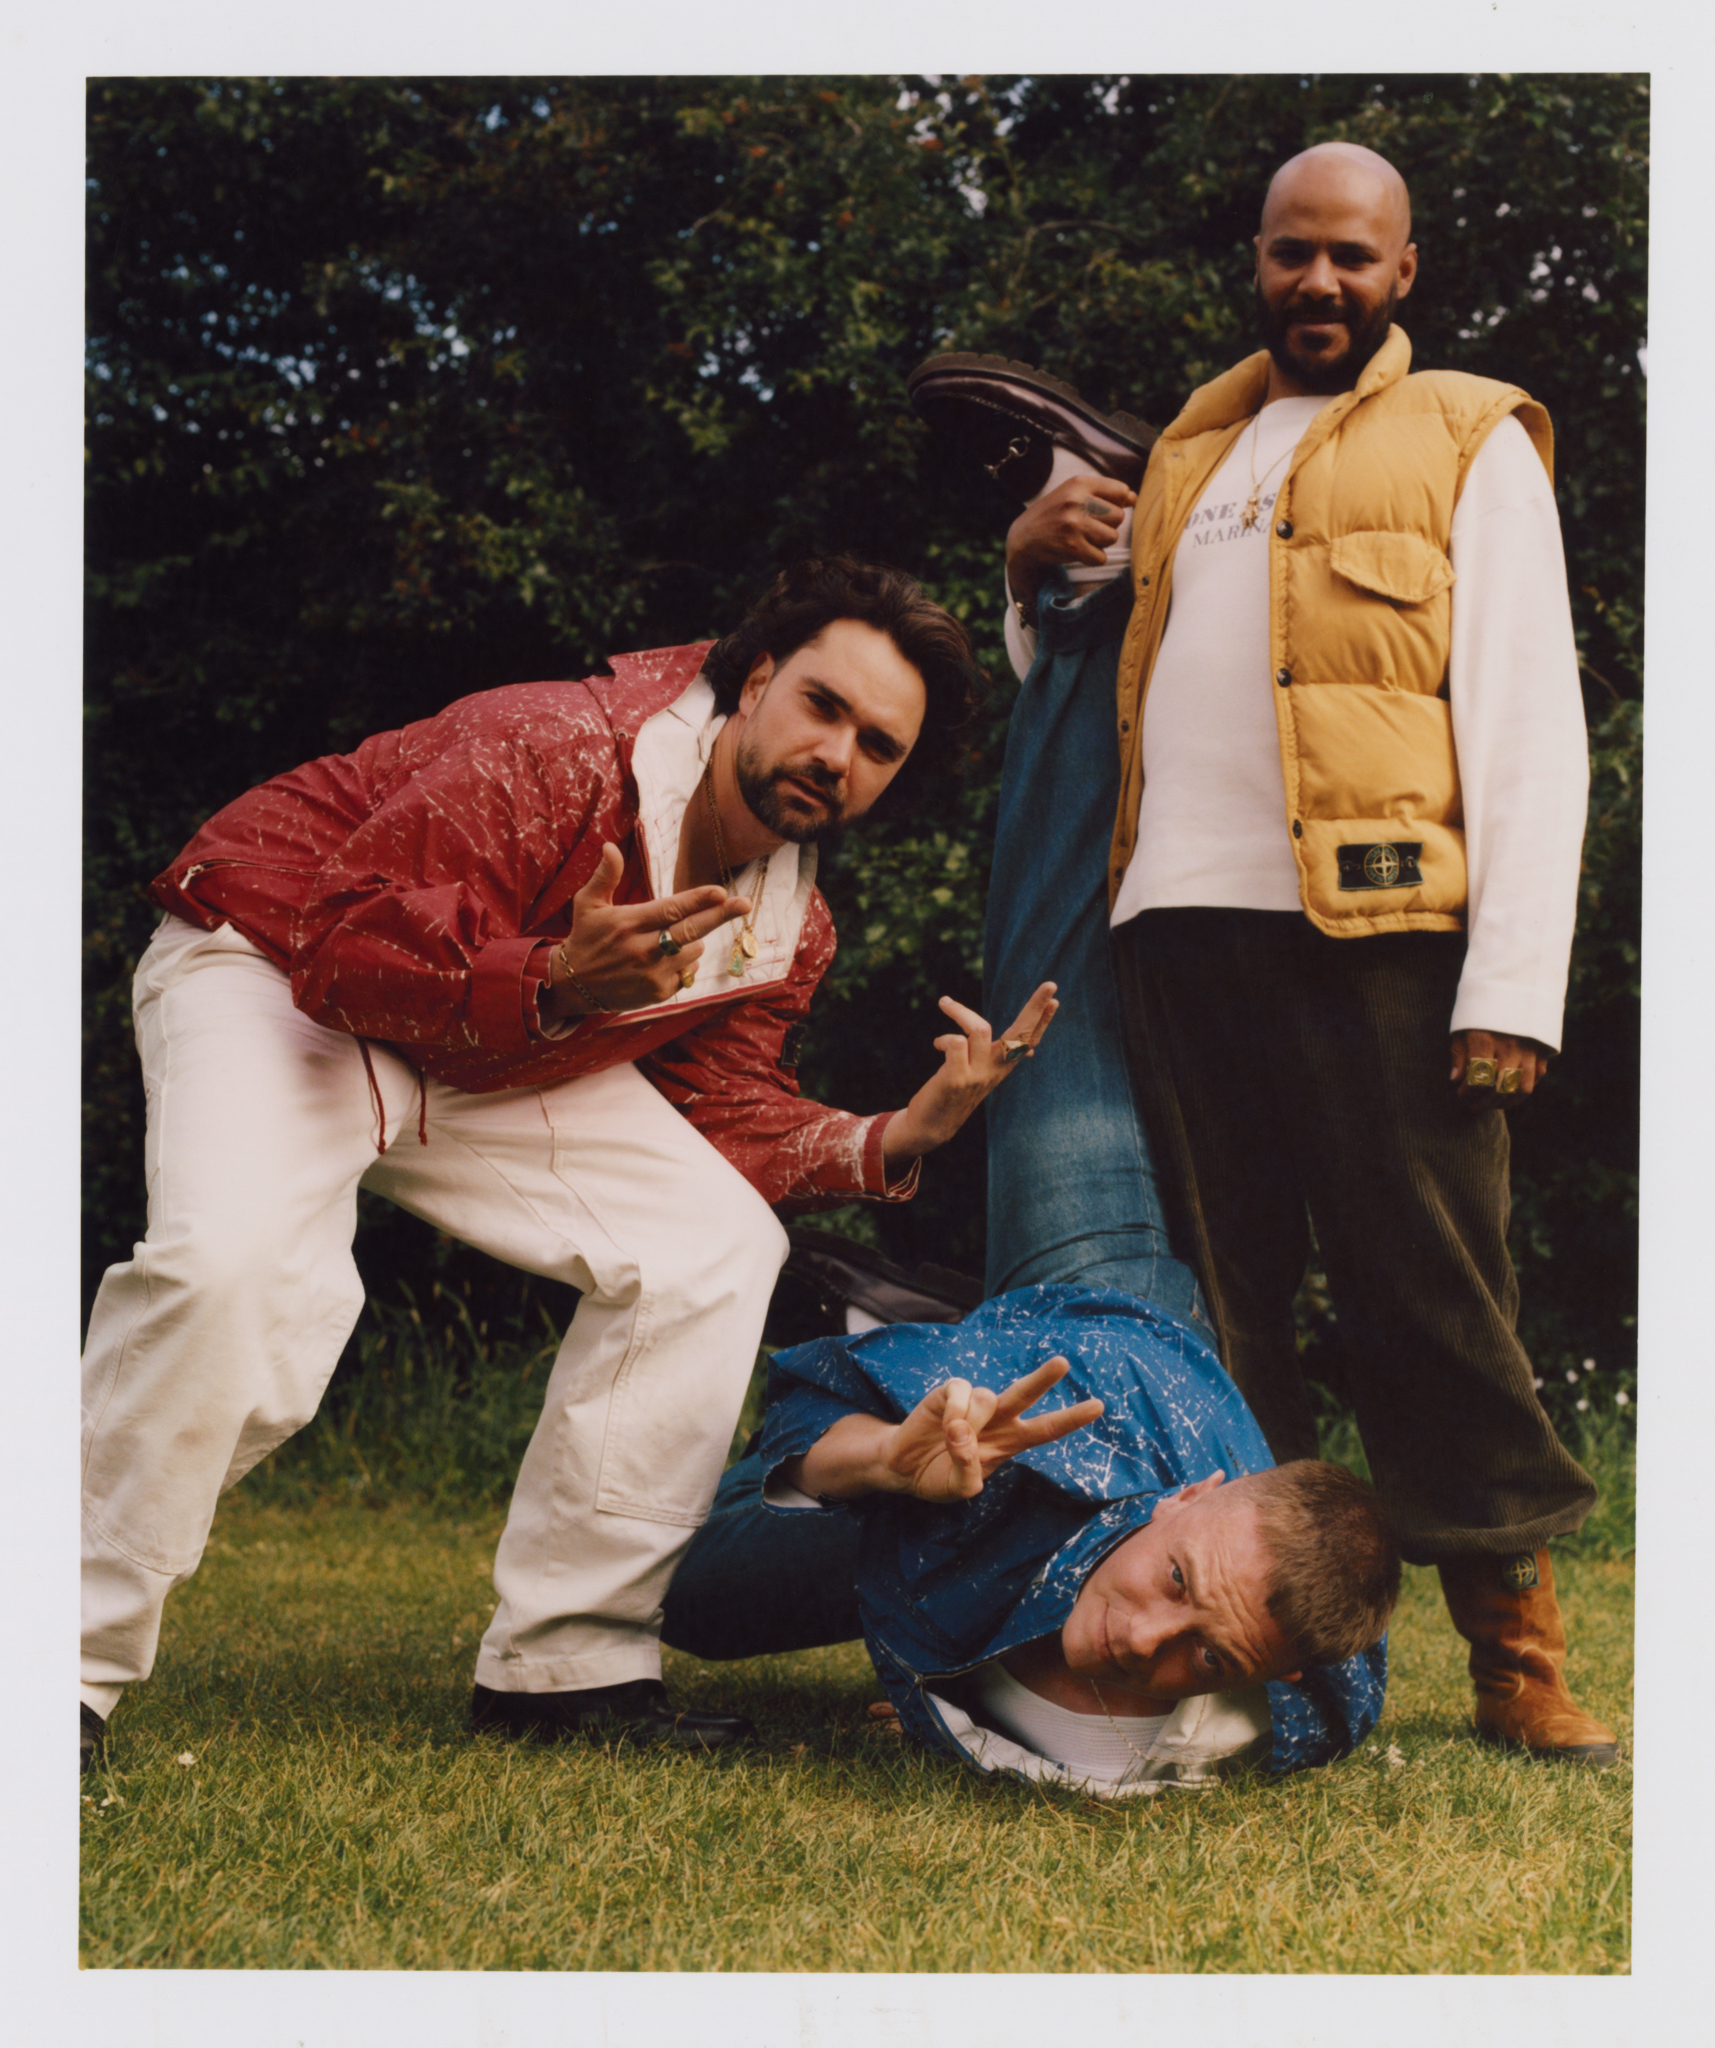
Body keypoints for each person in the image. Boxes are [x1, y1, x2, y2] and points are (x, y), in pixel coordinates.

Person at [80, 556, 1057, 1772]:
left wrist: (893, 1135)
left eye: (877, 745)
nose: (835, 754)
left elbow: (718, 1109)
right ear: (755, 678)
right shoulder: (554, 749)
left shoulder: (787, 923)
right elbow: (340, 936)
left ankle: (568, 1668)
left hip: (498, 1049)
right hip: (276, 974)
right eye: (822, 704)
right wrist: (548, 977)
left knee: (713, 1244)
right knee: (234, 1274)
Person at [906, 142, 1615, 1765]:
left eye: (1352, 256)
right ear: (1257, 261)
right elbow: (1088, 661)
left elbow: (1529, 718)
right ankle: (1261, 1649)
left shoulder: (1467, 433)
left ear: (1403, 272)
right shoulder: (1187, 453)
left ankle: (1513, 1650)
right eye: (1294, 251)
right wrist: (1022, 571)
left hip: (1383, 934)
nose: (1320, 280)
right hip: (1175, 939)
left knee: (1430, 1291)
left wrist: (1512, 983)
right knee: (1223, 1310)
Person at [664, 1281, 1397, 1796]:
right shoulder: (1039, 1456)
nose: (1142, 1640)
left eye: (1209, 1656)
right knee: (685, 1583)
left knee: (680, 1598)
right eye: (1177, 1580)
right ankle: (945, 1336)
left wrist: (947, 1711)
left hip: (1176, 1424)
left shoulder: (1321, 1710)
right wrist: (886, 1460)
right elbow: (812, 1390)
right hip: (1106, 1345)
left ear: (1279, 1675)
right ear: (1184, 1500)